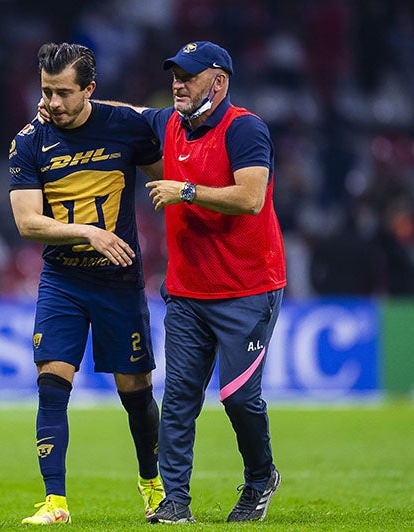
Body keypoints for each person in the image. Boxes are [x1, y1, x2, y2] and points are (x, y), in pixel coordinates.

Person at [9, 42, 165, 525]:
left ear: (89, 90)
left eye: (63, 93)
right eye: (46, 92)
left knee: (135, 389)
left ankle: (153, 486)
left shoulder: (126, 127)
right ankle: (55, 503)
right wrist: (87, 233)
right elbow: (27, 223)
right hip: (63, 280)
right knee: (52, 382)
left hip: (120, 280)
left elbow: (164, 175)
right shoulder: (29, 142)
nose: (52, 103)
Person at [138, 41, 286, 523]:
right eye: (174, 74)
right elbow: (127, 112)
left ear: (218, 81)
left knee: (239, 398)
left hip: (247, 289)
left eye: (189, 75)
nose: (177, 83)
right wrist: (75, 103)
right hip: (186, 292)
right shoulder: (168, 125)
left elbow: (250, 198)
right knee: (178, 398)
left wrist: (185, 191)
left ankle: (261, 477)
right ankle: (175, 501)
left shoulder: (245, 127)